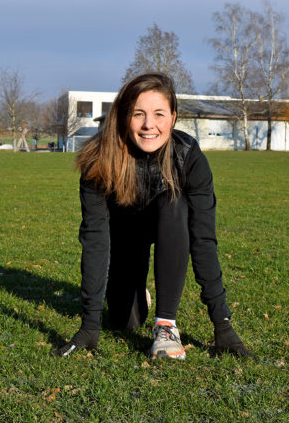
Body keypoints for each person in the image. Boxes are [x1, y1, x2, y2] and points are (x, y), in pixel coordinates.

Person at [53, 73, 250, 360]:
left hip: (171, 226)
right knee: (124, 321)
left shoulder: (188, 156)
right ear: (124, 116)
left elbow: (203, 239)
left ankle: (166, 326)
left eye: (159, 114)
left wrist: (222, 323)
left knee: (174, 201)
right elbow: (95, 240)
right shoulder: (99, 159)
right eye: (139, 114)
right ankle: (138, 294)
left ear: (173, 117)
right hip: (126, 234)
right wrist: (89, 325)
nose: (149, 125)